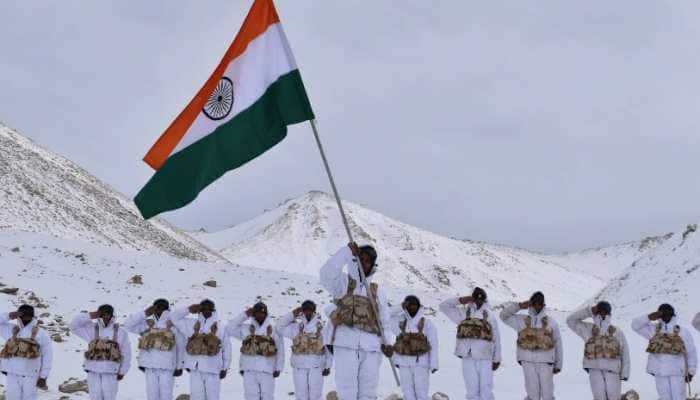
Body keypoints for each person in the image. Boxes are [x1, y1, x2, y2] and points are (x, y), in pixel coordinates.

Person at [319, 242, 395, 400]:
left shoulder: (378, 291)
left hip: (372, 348)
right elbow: (326, 274)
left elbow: (384, 322)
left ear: (372, 265)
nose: (364, 263)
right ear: (355, 259)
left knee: (368, 393)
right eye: (361, 258)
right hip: (346, 345)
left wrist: (388, 343)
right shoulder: (343, 283)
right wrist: (346, 252)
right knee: (347, 392)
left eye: (368, 261)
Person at [500, 291, 563, 400]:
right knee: (532, 393)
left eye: (540, 303)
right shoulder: (522, 320)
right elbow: (503, 316)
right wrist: (519, 306)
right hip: (527, 361)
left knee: (548, 394)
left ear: (543, 304)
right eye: (535, 303)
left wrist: (558, 365)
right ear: (531, 304)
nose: (537, 306)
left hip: (546, 362)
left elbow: (558, 342)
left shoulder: (551, 322)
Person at [439, 287, 500, 400]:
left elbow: (496, 338)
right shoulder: (463, 313)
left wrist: (496, 359)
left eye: (480, 298)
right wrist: (461, 300)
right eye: (475, 297)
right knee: (471, 388)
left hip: (485, 356)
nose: (478, 300)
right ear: (471, 298)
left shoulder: (490, 316)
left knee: (486, 388)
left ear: (485, 300)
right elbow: (443, 306)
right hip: (468, 355)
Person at [566, 301, 630, 400]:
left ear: (609, 314)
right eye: (600, 311)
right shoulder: (588, 329)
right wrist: (588, 311)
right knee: (599, 398)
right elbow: (570, 320)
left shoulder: (617, 331)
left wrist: (625, 372)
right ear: (595, 313)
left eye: (605, 312)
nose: (602, 314)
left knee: (614, 397)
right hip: (594, 370)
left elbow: (625, 352)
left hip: (613, 371)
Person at [632, 304, 697, 400]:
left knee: (679, 397)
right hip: (660, 373)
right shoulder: (653, 330)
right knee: (664, 397)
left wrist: (691, 371)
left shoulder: (683, 332)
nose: (666, 316)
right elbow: (635, 325)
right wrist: (648, 317)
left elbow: (691, 352)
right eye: (663, 314)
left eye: (667, 314)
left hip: (677, 373)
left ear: (672, 315)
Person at [124, 299, 185, 400]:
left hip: (167, 367)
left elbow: (180, 345)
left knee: (166, 395)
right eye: (157, 308)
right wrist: (144, 313)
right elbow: (128, 325)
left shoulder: (173, 323)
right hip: (150, 366)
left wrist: (179, 366)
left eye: (161, 308)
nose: (158, 310)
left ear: (166, 309)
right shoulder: (147, 323)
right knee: (152, 395)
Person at [170, 299, 232, 400]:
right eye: (204, 308)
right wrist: (188, 309)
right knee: (196, 397)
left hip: (213, 369)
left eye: (209, 308)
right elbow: (173, 318)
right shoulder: (191, 324)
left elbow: (227, 348)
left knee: (212, 397)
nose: (206, 310)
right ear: (200, 310)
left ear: (213, 310)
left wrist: (225, 367)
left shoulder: (220, 327)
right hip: (195, 369)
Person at [69, 304, 132, 400]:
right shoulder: (91, 329)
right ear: (99, 315)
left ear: (112, 315)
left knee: (109, 397)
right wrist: (91, 315)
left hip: (110, 372)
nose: (106, 317)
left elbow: (126, 353)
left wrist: (123, 371)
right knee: (95, 397)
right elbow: (74, 325)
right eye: (103, 314)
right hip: (93, 371)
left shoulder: (120, 332)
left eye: (108, 314)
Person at [227, 302, 285, 400]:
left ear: (266, 314)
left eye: (262, 313)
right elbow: (230, 328)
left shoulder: (273, 330)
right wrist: (245, 315)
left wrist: (279, 367)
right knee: (251, 397)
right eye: (257, 312)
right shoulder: (246, 329)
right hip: (249, 369)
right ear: (253, 314)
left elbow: (280, 350)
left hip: (267, 370)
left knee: (267, 397)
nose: (260, 315)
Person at [277, 300, 332, 400]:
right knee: (301, 395)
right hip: (299, 367)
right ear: (302, 311)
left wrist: (328, 366)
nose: (308, 312)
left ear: (314, 311)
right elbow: (279, 327)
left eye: (310, 310)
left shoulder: (321, 327)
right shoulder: (296, 328)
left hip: (316, 366)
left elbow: (327, 347)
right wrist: (292, 314)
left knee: (315, 395)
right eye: (305, 310)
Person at [0, 305, 53, 400]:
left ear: (32, 316)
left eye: (28, 315)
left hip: (31, 376)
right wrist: (8, 316)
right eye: (23, 315)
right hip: (12, 374)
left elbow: (47, 356)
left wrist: (43, 376)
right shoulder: (11, 329)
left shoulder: (41, 333)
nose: (26, 318)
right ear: (18, 316)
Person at [391, 295, 439, 400]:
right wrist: (400, 307)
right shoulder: (400, 321)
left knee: (421, 392)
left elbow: (433, 343)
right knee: (407, 391)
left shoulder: (426, 323)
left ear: (418, 306)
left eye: (414, 305)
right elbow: (385, 315)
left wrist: (434, 363)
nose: (412, 307)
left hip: (421, 363)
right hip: (403, 363)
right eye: (409, 305)